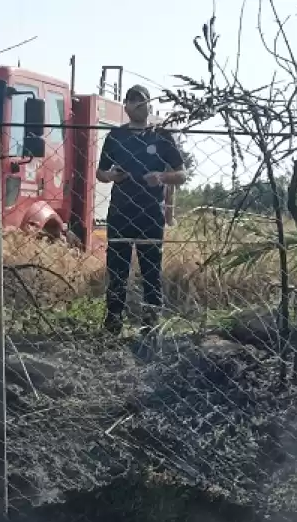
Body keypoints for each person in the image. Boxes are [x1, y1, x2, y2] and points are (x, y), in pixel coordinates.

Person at [96, 84, 187, 335]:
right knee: (117, 270)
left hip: (150, 214)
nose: (136, 105)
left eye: (141, 101)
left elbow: (181, 174)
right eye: (132, 101)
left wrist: (161, 176)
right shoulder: (115, 136)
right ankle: (113, 324)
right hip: (120, 212)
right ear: (125, 106)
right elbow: (100, 173)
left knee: (151, 271)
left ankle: (150, 325)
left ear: (149, 105)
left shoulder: (161, 136)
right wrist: (112, 175)